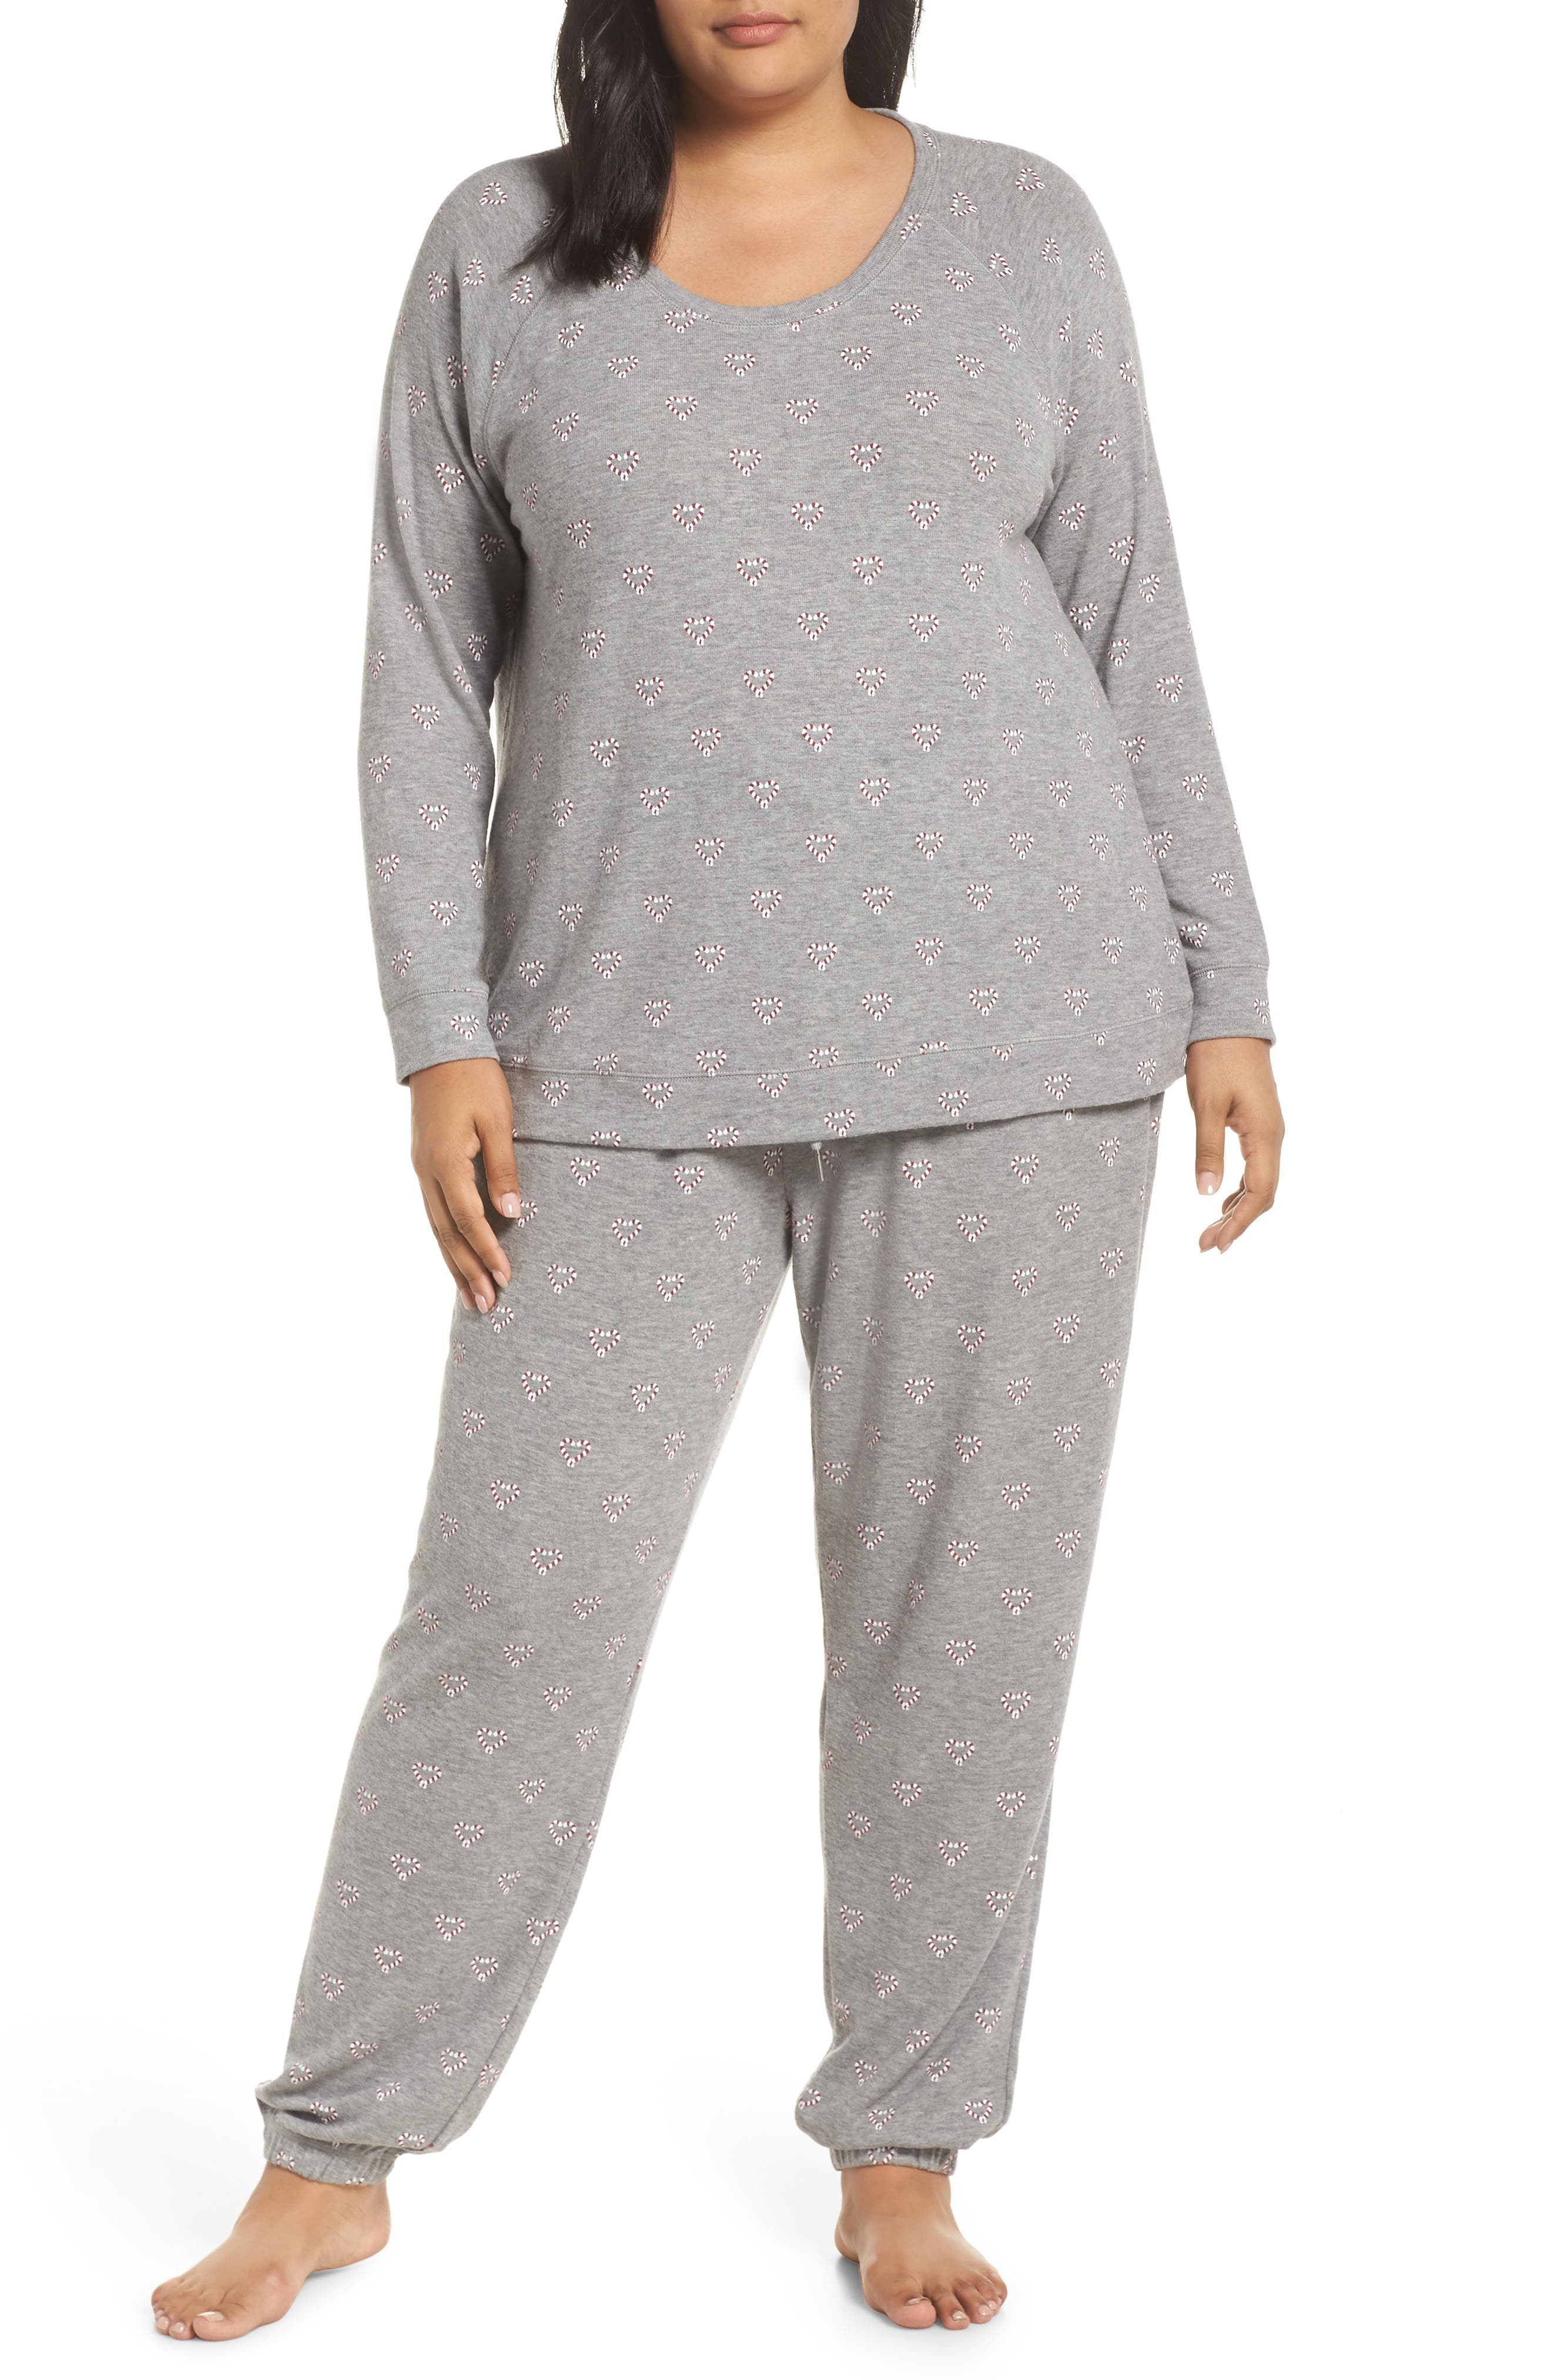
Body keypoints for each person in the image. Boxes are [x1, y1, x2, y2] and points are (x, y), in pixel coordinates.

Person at [152, 0, 1284, 2342]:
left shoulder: (1026, 231)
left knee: (961, 1629)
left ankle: (904, 2145)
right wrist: (441, 1029)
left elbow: (1132, 614)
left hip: (1021, 1027)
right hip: (615, 1047)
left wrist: (1226, 980)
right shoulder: (503, 252)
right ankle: (332, 2150)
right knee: (508, 1616)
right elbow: (419, 666)